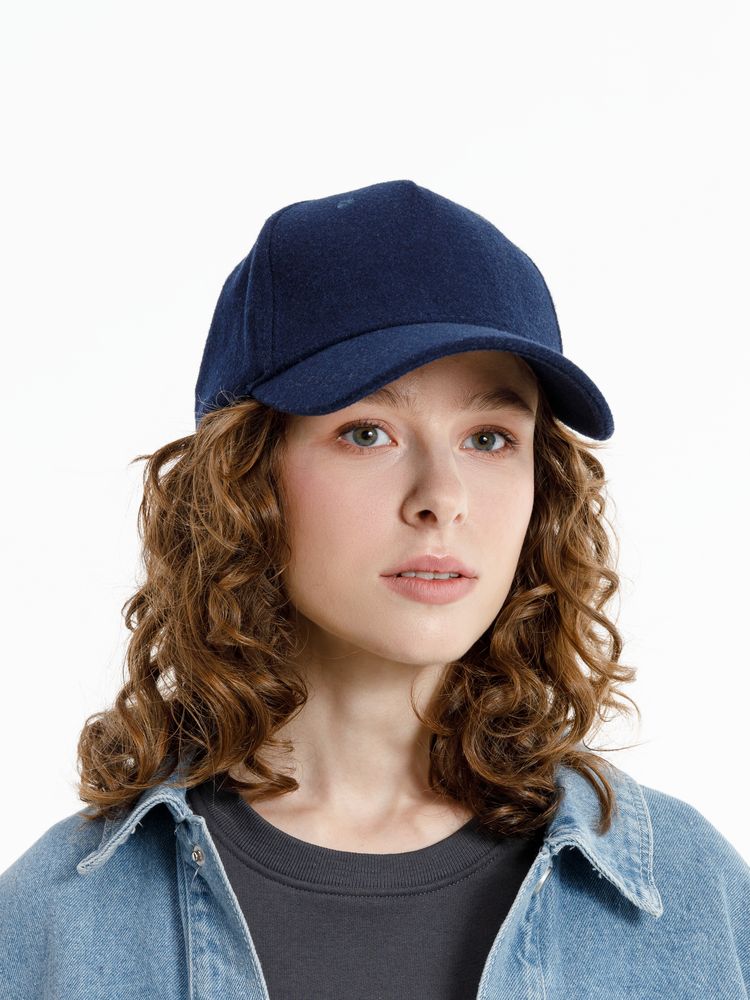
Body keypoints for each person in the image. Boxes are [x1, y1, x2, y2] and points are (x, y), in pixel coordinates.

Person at [0, 179, 747, 999]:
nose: (442, 497)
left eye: (490, 438)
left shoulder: (691, 898)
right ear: (242, 479)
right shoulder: (56, 924)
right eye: (367, 433)